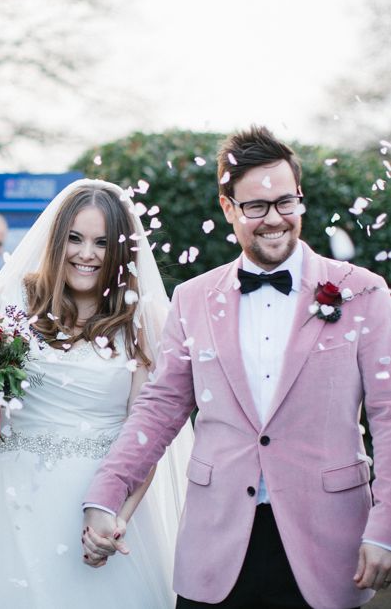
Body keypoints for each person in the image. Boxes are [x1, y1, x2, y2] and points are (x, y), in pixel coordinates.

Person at [82, 126, 391, 609]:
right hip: (216, 545)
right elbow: (159, 409)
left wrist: (386, 525)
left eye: (286, 202)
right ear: (228, 208)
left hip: (329, 544)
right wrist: (106, 495)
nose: (275, 220)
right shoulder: (192, 298)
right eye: (255, 207)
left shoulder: (365, 292)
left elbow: (388, 414)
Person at [0, 180, 193, 608]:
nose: (86, 254)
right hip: (10, 501)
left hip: (96, 504)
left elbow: (144, 436)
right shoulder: (17, 301)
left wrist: (117, 519)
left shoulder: (139, 320)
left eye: (101, 243)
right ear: (57, 241)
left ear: (120, 250)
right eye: (75, 238)